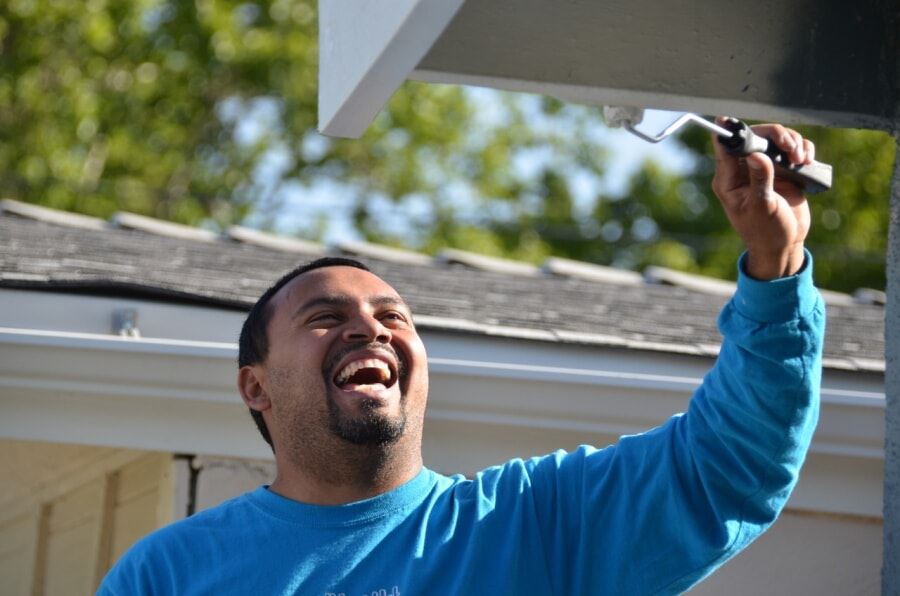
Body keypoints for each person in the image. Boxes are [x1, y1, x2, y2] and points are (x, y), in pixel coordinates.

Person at [98, 121, 825, 595]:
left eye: (393, 318)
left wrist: (777, 257)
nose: (370, 330)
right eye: (325, 318)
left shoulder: (532, 526)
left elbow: (729, 466)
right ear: (254, 386)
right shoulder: (169, 575)